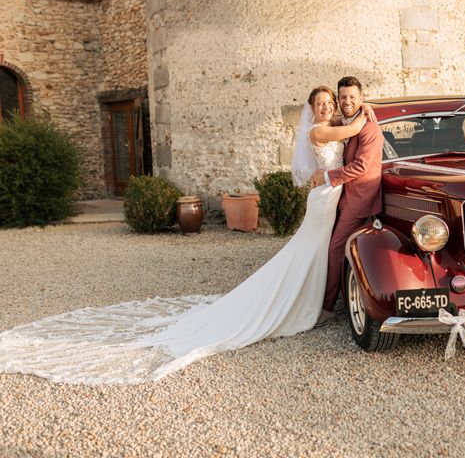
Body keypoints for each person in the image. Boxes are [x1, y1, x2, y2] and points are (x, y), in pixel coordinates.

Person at [0, 84, 373, 385]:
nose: (328, 107)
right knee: (311, 248)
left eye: (331, 102)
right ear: (312, 107)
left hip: (331, 194)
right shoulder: (321, 128)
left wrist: (353, 112)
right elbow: (353, 130)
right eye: (322, 102)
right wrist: (367, 111)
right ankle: (307, 301)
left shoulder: (334, 121)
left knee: (315, 248)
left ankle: (316, 297)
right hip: (326, 194)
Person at [311, 76, 384, 326]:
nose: (347, 101)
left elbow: (362, 166)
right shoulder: (345, 121)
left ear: (361, 98)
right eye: (343, 97)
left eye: (353, 97)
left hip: (360, 198)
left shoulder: (370, 129)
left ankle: (328, 307)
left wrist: (327, 176)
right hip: (341, 196)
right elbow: (325, 122)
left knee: (335, 248)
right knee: (325, 243)